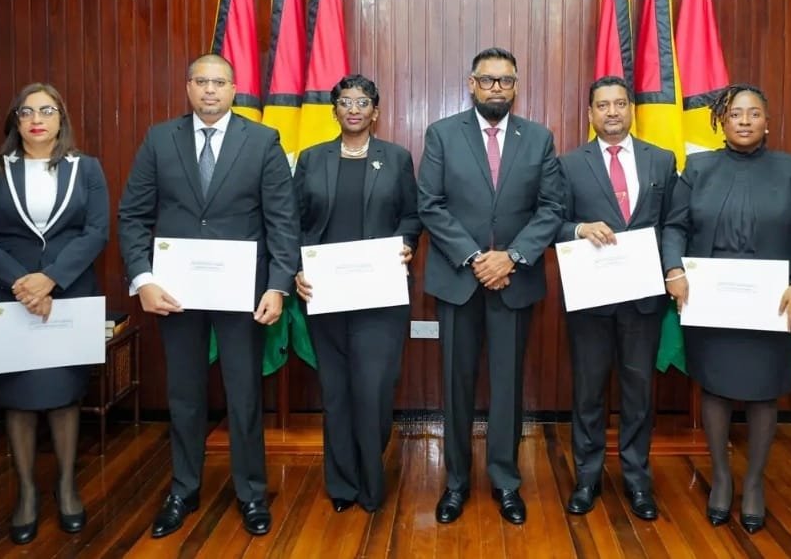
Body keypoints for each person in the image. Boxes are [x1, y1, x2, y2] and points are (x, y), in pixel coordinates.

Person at [118, 54, 300, 538]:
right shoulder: (160, 139)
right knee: (184, 395)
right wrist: (143, 279)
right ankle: (183, 487)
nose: (210, 91)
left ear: (234, 89)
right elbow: (133, 215)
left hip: (243, 293)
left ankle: (252, 493)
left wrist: (278, 285)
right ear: (188, 88)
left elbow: (283, 221)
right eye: (201, 82)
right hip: (175, 292)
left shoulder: (262, 141)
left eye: (219, 82)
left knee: (244, 395)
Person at [662, 83, 791, 534]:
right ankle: (721, 478)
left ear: (767, 121)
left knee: (762, 391)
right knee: (714, 388)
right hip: (710, 301)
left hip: (769, 302)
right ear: (723, 120)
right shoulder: (697, 168)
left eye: (754, 114)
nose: (745, 121)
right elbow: (674, 226)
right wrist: (674, 272)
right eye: (736, 114)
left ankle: (753, 483)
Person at [417, 47, 563, 525]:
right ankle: (455, 483)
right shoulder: (442, 134)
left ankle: (505, 481)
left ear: (515, 87)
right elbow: (431, 204)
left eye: (505, 81)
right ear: (472, 83)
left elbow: (551, 208)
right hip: (460, 278)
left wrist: (512, 257)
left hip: (514, 281)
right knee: (455, 387)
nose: (496, 88)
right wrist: (478, 258)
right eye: (488, 80)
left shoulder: (538, 138)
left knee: (507, 387)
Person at [0, 83, 109, 545]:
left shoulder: (86, 168)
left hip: (67, 295)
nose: (36, 119)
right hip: (10, 299)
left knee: (66, 395)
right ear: (15, 121)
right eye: (26, 111)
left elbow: (96, 231)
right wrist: (24, 284)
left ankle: (67, 487)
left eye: (46, 110)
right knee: (20, 398)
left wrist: (51, 279)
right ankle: (26, 493)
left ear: (60, 118)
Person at [293, 74, 422, 513]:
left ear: (375, 111)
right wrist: (295, 269)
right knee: (336, 392)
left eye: (362, 101)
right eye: (345, 101)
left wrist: (406, 245)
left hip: (379, 298)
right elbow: (291, 222)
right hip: (325, 295)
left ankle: (372, 479)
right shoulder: (311, 159)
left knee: (374, 391)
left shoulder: (397, 158)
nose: (353, 108)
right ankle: (343, 486)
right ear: (334, 110)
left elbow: (412, 215)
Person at [556, 76, 677, 521]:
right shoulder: (569, 164)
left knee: (638, 392)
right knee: (588, 393)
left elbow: (674, 223)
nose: (612, 112)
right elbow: (551, 220)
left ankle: (637, 479)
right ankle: (586, 477)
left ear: (632, 110)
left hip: (644, 300)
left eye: (620, 104)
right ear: (590, 114)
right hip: (591, 299)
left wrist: (672, 270)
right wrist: (577, 229)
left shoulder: (661, 161)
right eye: (602, 105)